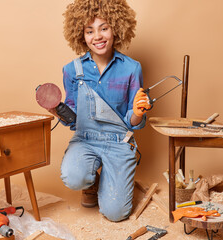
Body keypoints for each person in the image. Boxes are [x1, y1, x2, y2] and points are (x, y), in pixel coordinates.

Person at [51, 0, 151, 222]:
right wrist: (57, 111)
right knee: (74, 177)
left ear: (116, 28)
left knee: (116, 214)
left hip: (118, 142)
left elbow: (132, 121)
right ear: (81, 34)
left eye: (104, 28)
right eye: (89, 30)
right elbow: (75, 120)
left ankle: (114, 178)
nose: (97, 36)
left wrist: (138, 112)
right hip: (85, 139)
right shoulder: (71, 70)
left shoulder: (132, 68)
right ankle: (91, 182)